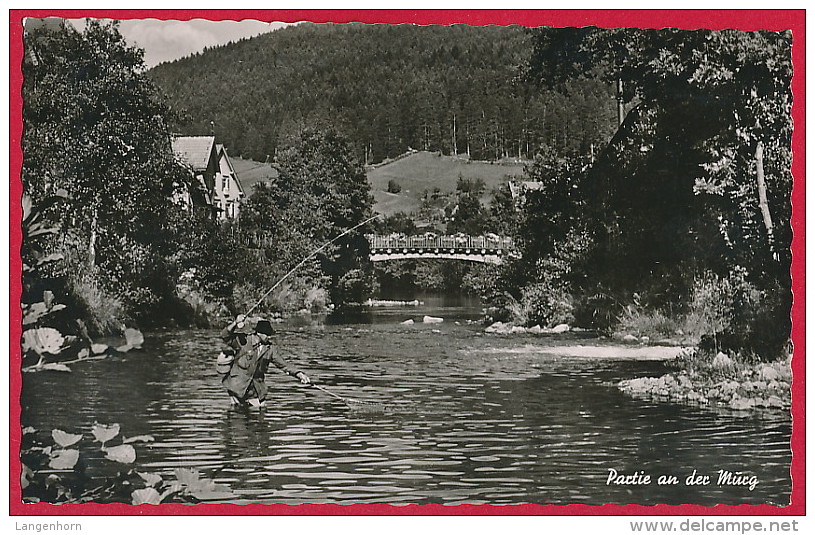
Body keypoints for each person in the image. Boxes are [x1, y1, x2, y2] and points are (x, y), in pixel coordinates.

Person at [217, 314, 311, 408]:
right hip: (237, 386)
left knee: (261, 413)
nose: (269, 337)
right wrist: (235, 323)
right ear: (259, 333)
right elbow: (224, 335)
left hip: (255, 390)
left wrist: (299, 374)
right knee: (237, 415)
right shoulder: (244, 341)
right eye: (267, 335)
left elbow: (283, 365)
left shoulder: (270, 349)